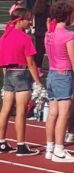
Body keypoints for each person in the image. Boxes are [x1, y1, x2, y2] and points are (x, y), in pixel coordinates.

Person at [0, 11, 43, 155]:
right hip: (22, 73)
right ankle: (21, 145)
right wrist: (38, 83)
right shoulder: (25, 38)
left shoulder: (4, 36)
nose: (30, 23)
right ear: (20, 20)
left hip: (9, 73)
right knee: (20, 111)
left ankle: (2, 142)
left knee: (5, 109)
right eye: (28, 20)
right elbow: (30, 63)